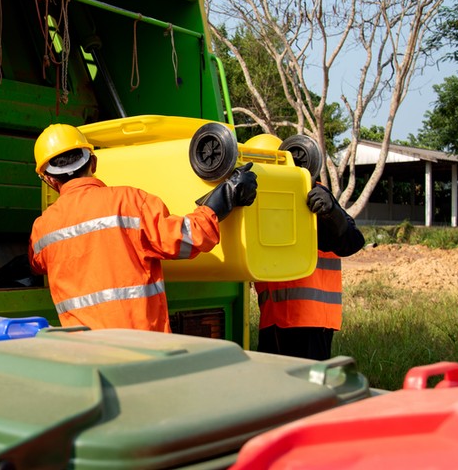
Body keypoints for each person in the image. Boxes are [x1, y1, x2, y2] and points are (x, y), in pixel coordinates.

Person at [28, 124, 258, 332]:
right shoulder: (130, 202)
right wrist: (226, 196)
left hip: (88, 355)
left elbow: (36, 264)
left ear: (49, 180)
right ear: (94, 162)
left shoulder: (42, 230)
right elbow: (189, 238)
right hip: (143, 348)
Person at [255, 181, 364, 360]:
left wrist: (331, 212)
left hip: (310, 321)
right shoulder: (261, 191)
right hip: (272, 318)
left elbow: (352, 242)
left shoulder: (313, 191)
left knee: (308, 384)